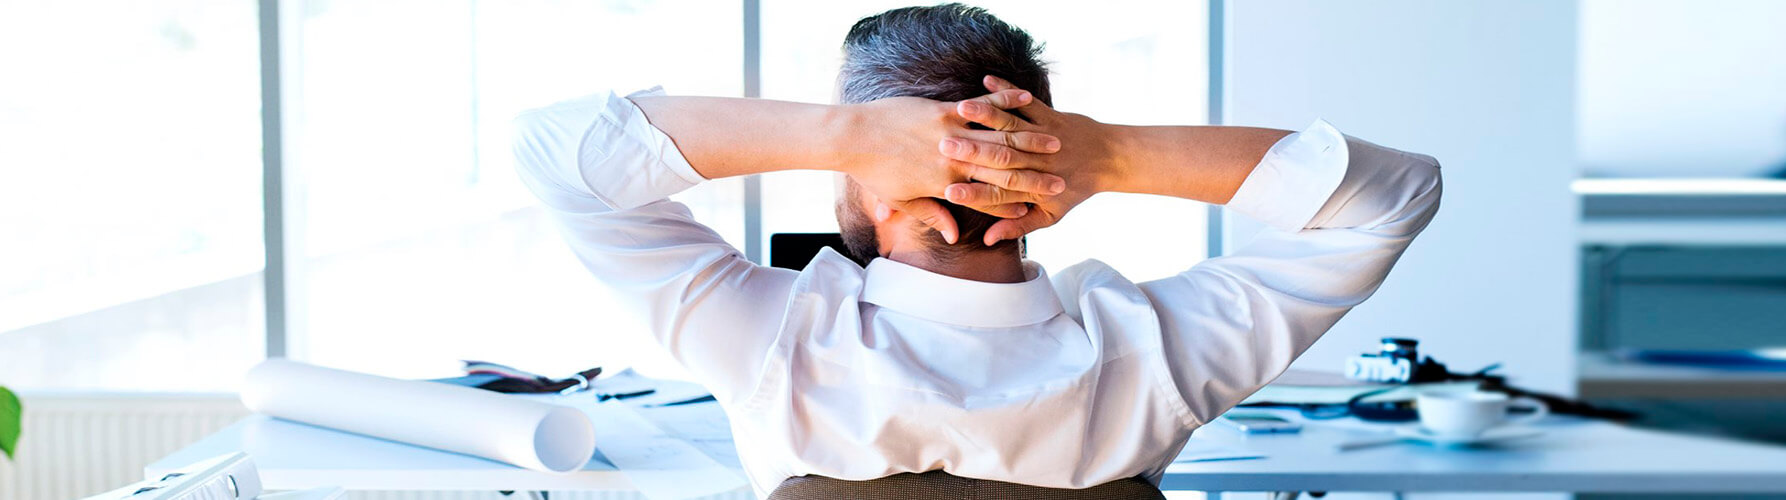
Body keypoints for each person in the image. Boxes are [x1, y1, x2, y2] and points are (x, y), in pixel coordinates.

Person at [511, 3, 1441, 497]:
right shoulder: (1162, 352)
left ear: (864, 175)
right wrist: (1105, 152)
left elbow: (558, 155)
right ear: (1048, 177)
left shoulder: (770, 342)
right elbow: (1396, 196)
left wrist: (847, 135)